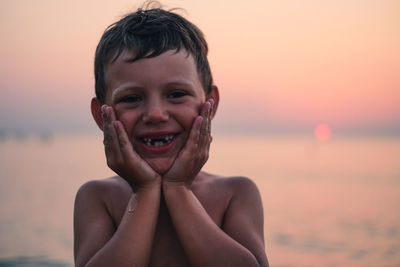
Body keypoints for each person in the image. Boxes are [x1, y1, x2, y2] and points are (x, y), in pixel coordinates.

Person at [74, 3, 269, 267]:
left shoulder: (235, 194)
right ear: (102, 115)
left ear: (209, 103)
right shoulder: (98, 198)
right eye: (132, 98)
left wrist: (178, 189)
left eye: (176, 94)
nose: (155, 114)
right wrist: (144, 191)